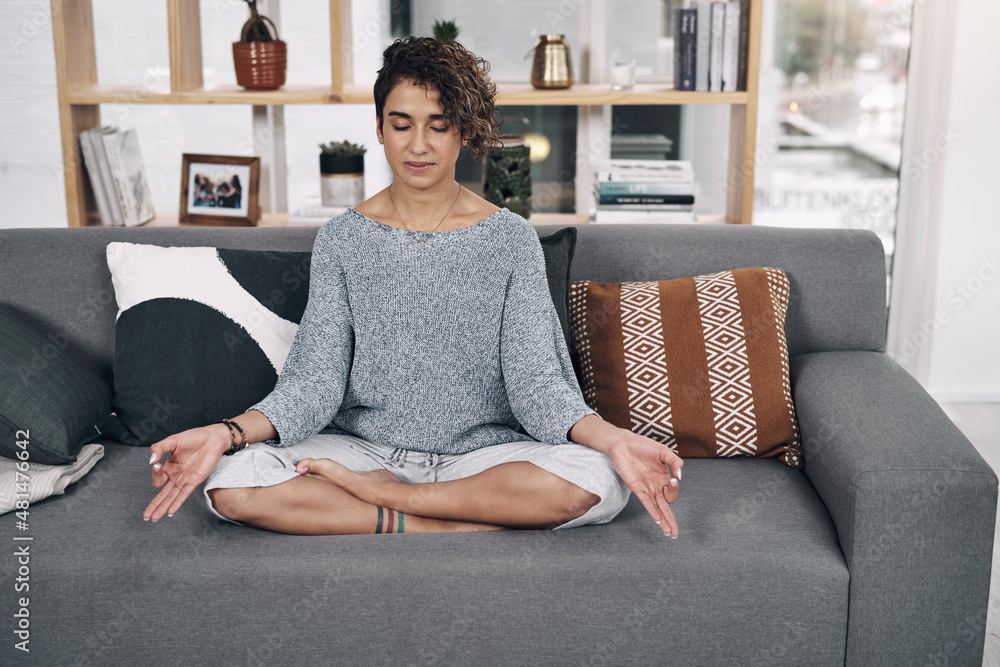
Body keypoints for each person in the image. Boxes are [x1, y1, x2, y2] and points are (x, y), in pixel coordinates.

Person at [143, 36, 683, 537]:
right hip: (363, 452)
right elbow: (314, 383)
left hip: (484, 458)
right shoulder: (343, 240)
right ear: (379, 129)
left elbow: (538, 386)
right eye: (401, 124)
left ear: (464, 131)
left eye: (438, 125)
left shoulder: (511, 241)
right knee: (232, 484)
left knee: (597, 480)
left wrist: (615, 439)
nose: (418, 145)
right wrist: (225, 433)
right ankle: (434, 520)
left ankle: (397, 502)